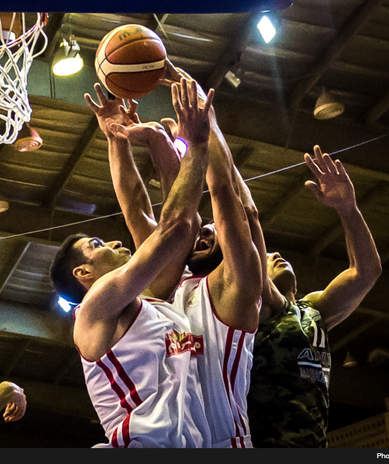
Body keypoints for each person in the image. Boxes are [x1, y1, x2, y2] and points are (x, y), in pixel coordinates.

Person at [76, 72, 264, 447]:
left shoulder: (228, 288)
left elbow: (201, 209)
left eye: (212, 232)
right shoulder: (143, 296)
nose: (204, 232)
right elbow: (171, 221)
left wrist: (130, 140)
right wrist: (195, 140)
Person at [50, 79, 219, 447]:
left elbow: (142, 211)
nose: (114, 242)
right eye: (97, 245)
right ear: (83, 273)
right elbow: (175, 225)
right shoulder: (95, 309)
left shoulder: (150, 297)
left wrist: (117, 138)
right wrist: (196, 146)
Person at [246, 145, 382, 447]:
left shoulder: (313, 310)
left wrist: (348, 209)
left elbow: (366, 272)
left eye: (276, 254)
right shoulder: (256, 309)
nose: (276, 255)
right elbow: (247, 221)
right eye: (267, 257)